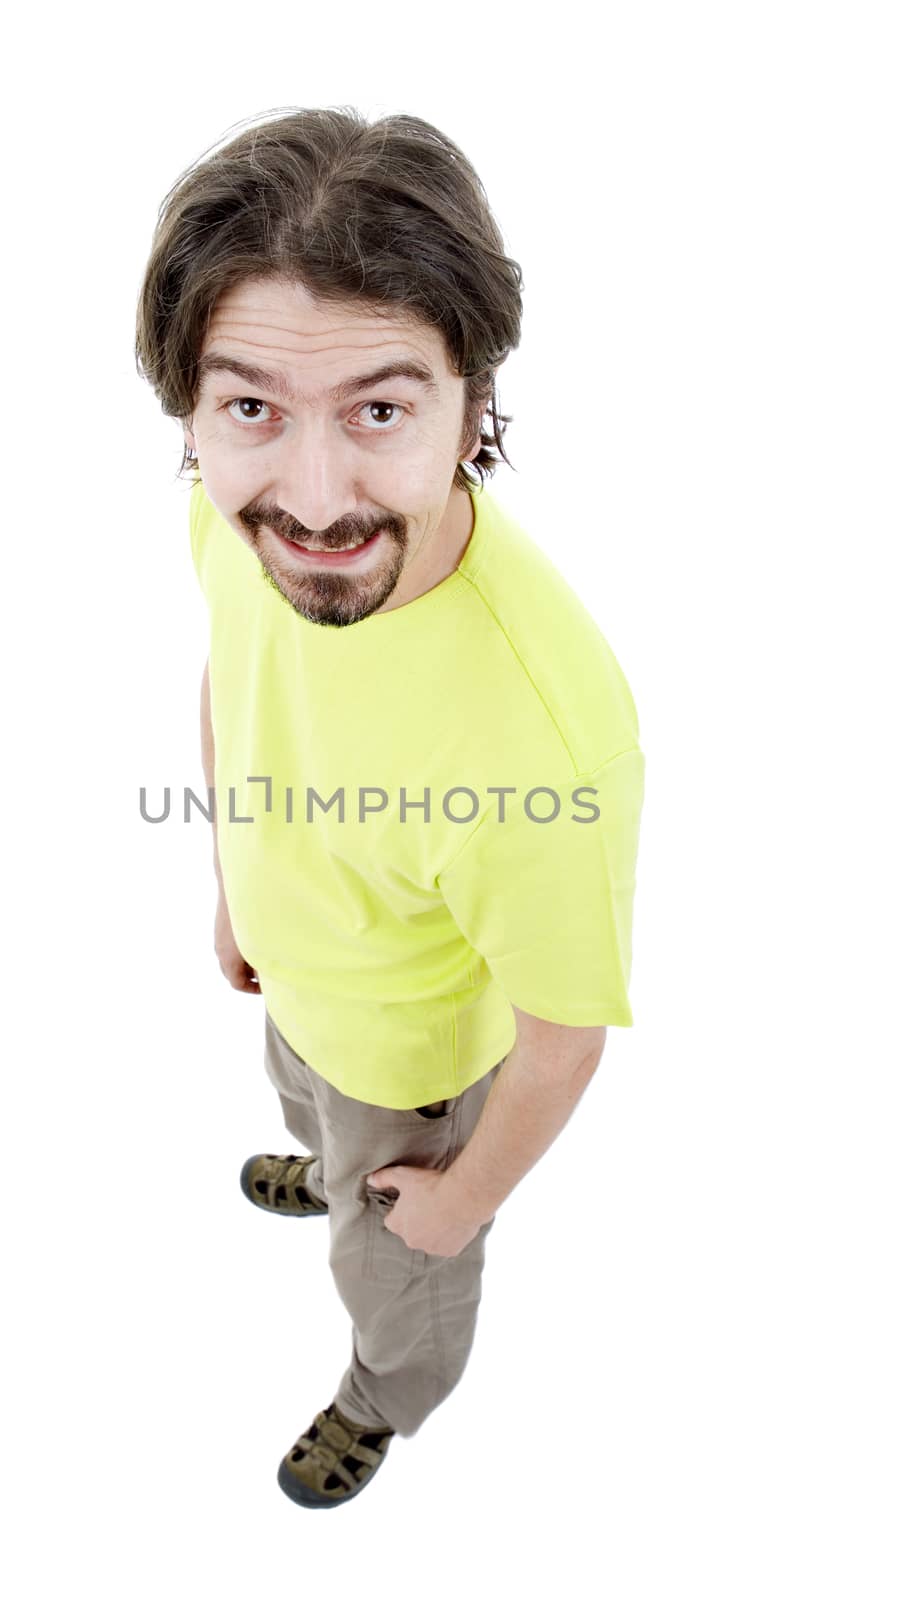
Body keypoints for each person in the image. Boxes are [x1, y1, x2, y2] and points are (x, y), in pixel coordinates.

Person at [135, 105, 645, 1510]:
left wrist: (463, 1198)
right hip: (301, 984)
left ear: (473, 404)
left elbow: (560, 1047)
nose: (311, 501)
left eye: (378, 408)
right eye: (251, 407)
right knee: (306, 1097)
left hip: (420, 1074)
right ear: (196, 407)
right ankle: (326, 1162)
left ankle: (385, 1395)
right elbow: (233, 674)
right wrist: (236, 880)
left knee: (394, 1257)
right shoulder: (231, 519)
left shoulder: (550, 744)